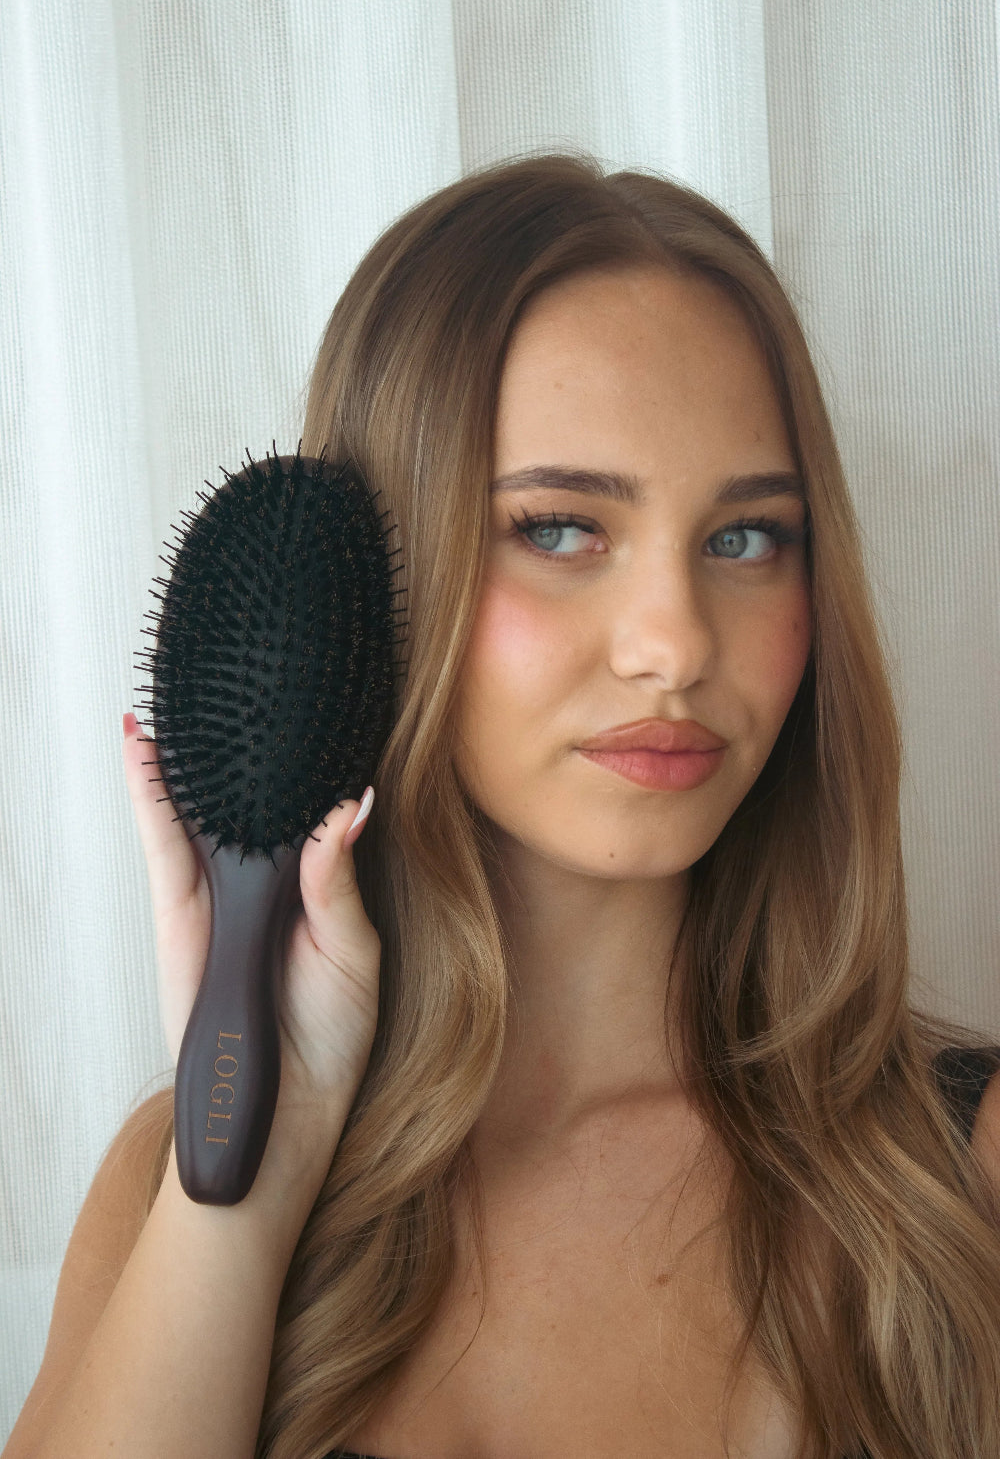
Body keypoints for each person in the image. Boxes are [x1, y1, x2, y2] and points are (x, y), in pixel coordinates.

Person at [6, 151, 1000, 1459]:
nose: (673, 644)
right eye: (560, 528)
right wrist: (255, 1173)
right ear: (373, 579)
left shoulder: (957, 1178)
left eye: (746, 538)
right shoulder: (175, 1185)